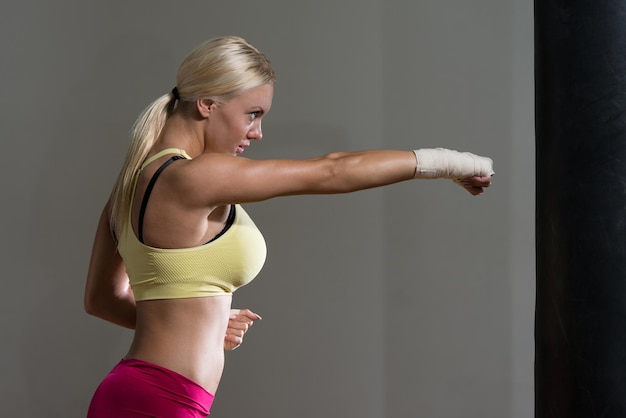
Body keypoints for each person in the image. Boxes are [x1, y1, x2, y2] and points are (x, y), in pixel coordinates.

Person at [84, 35, 494, 417]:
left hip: (141, 390)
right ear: (207, 104)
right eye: (252, 114)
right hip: (161, 401)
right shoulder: (195, 177)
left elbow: (101, 300)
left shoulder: (128, 188)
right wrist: (449, 162)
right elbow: (330, 171)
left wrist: (198, 327)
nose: (258, 132)